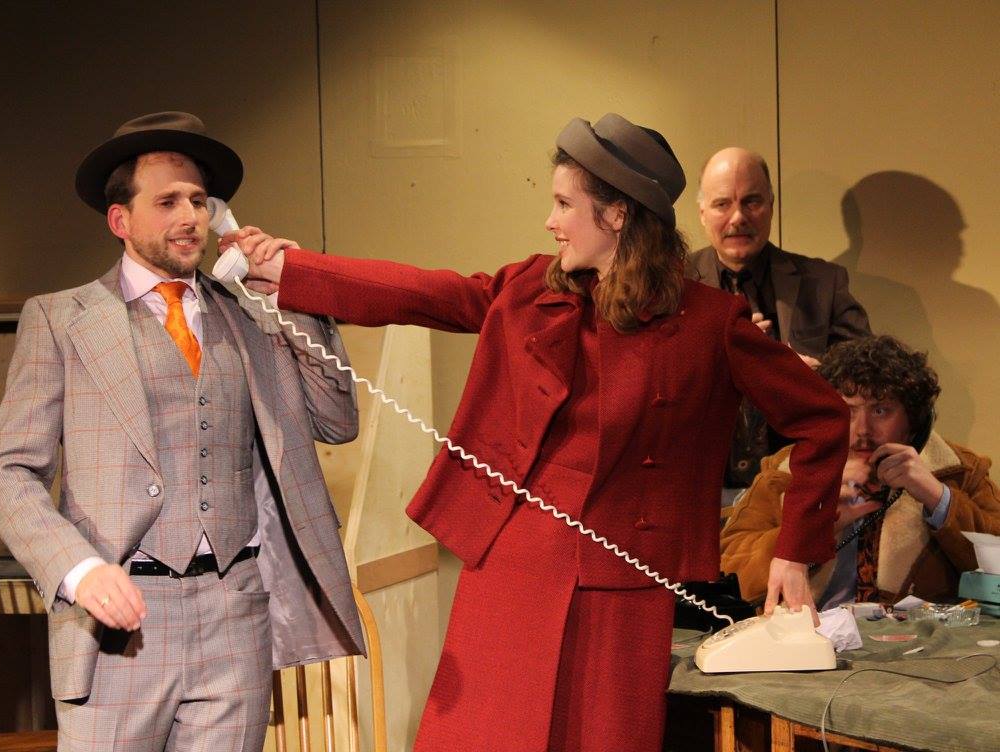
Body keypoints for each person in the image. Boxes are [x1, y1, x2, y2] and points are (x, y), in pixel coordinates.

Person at [220, 114, 848, 752]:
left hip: (623, 586)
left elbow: (823, 419)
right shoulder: (527, 289)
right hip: (511, 564)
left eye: (565, 204)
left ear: (617, 216)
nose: (551, 221)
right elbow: (425, 293)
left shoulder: (710, 322)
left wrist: (793, 551)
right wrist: (294, 272)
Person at [0, 111, 364, 752]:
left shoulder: (249, 315)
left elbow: (336, 419)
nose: (189, 216)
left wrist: (292, 294)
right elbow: (8, 471)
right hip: (119, 622)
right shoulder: (60, 320)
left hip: (234, 614)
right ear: (120, 221)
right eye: (167, 202)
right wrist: (77, 570)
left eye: (198, 200)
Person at [721, 335, 1000, 608]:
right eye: (847, 411)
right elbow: (729, 567)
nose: (862, 430)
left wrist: (938, 498)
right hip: (810, 630)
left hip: (918, 634)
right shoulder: (785, 471)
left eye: (880, 411)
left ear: (914, 420)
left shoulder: (958, 470)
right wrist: (813, 527)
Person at [689, 147, 872, 494]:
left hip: (799, 484)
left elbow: (868, 380)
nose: (738, 217)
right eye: (722, 204)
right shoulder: (671, 285)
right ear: (702, 212)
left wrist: (808, 373)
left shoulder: (824, 283)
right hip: (698, 486)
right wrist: (720, 355)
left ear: (771, 206)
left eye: (752, 201)